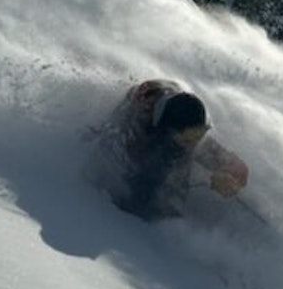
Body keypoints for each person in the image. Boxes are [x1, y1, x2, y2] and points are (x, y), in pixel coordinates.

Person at [102, 79, 248, 220]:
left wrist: (228, 175)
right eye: (190, 136)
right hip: (147, 141)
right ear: (167, 132)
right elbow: (140, 196)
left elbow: (236, 166)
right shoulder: (137, 129)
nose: (195, 142)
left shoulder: (187, 129)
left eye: (200, 133)